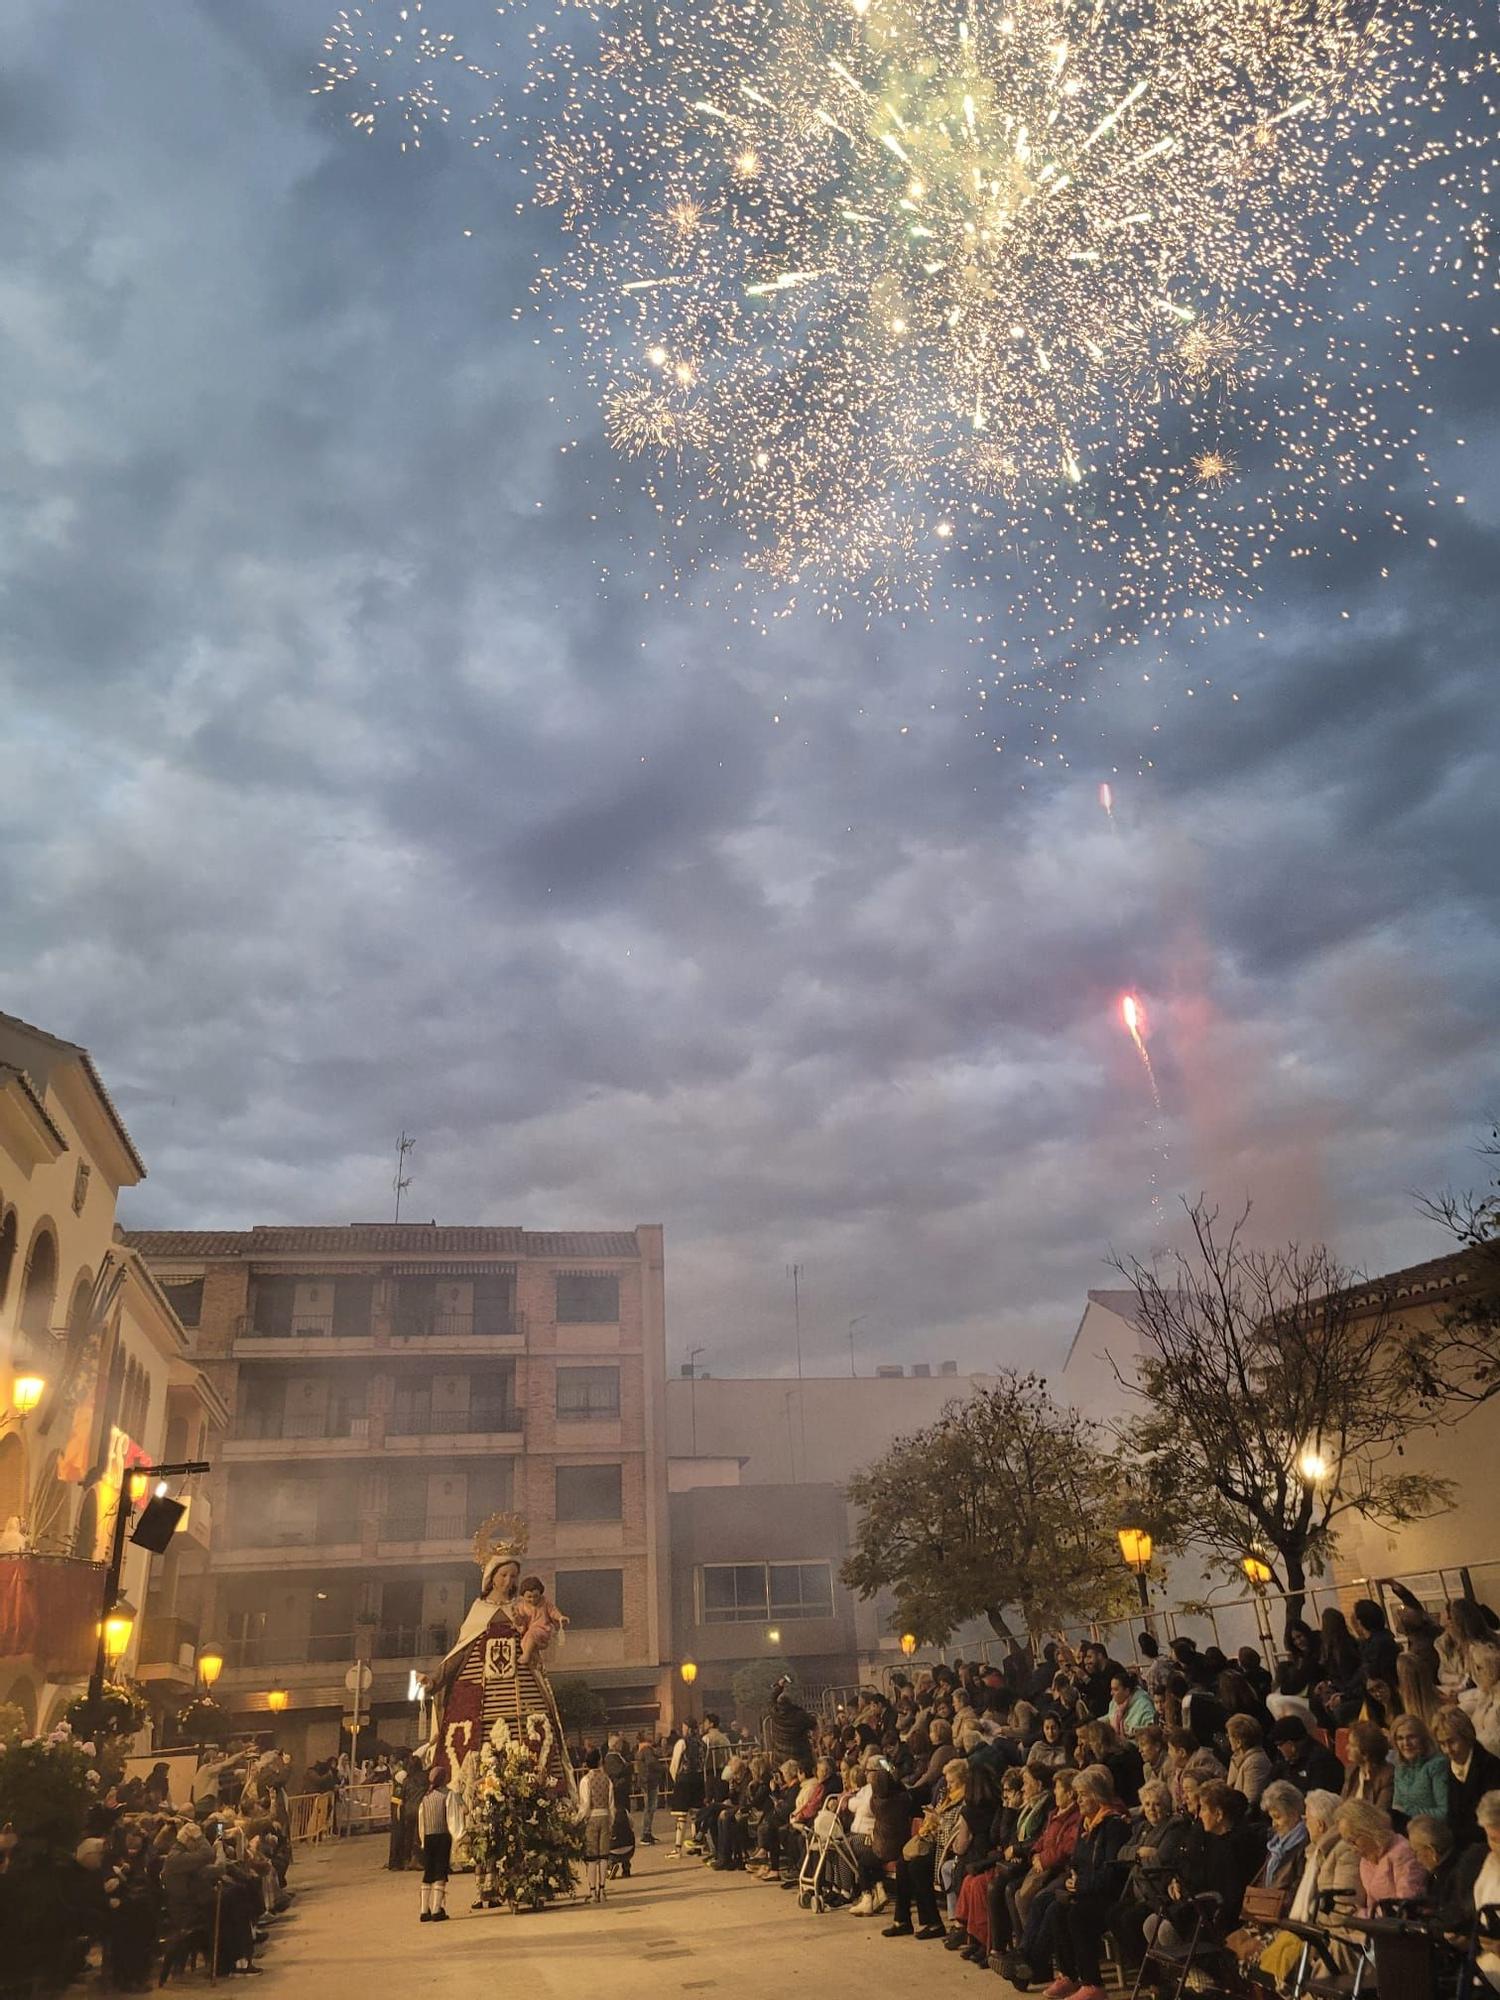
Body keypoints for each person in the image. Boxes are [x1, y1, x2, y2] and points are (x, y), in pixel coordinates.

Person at [423, 1515, 575, 1805]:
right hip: (479, 1690)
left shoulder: (521, 1607)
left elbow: (537, 1632)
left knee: (533, 1737)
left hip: (523, 1684)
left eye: (514, 1577)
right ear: (491, 1577)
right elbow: (460, 1652)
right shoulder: (479, 1609)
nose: (509, 1581)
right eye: (504, 1575)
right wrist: (434, 1680)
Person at [1334, 1797, 1426, 1913]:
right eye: (1348, 1843)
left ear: (1368, 1830)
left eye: (1353, 1840)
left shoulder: (1403, 1853)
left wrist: (1365, 1917)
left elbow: (1405, 1907)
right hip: (1378, 1925)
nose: (1353, 1849)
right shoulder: (1365, 1861)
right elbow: (1371, 1906)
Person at [1436, 1708, 1500, 1851]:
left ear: (1467, 1736)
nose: (1448, 1750)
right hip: (1463, 1843)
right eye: (1442, 1744)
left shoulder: (1491, 1767)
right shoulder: (1450, 1768)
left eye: (1452, 1742)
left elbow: (1489, 1821)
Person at [1390, 1713, 1451, 1829]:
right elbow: (1396, 1806)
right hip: (1407, 1829)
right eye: (1400, 1738)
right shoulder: (1400, 1767)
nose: (1406, 1743)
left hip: (1434, 1831)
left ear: (1423, 1739)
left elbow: (1444, 1812)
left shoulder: (1438, 1765)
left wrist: (1408, 1812)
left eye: (1411, 1737)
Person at [1269, 1713, 1344, 1795]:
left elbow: (1316, 1796)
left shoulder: (1321, 1761)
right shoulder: (1283, 1758)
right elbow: (1270, 1784)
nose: (1278, 1749)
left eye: (1279, 1745)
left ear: (1291, 1744)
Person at [576, 1748, 613, 1903]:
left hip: (591, 1818)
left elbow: (585, 1805)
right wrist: (611, 1820)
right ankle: (603, 1890)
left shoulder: (585, 1781)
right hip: (605, 1816)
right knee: (604, 1856)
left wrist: (576, 1820)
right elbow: (612, 1803)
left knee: (592, 1858)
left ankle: (592, 1893)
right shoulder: (607, 1779)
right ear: (599, 1761)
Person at [417, 1771, 453, 1923]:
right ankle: (437, 1910)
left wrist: (423, 1840)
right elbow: (453, 1817)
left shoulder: (425, 1797)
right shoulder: (447, 1795)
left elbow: (421, 1821)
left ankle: (424, 1910)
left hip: (428, 1837)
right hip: (442, 1836)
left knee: (428, 1872)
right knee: (440, 1871)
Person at [669, 1719, 705, 1854]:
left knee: (681, 1815)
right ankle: (696, 1846)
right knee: (695, 1814)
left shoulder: (682, 1742)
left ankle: (678, 1848)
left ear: (688, 1728)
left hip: (684, 1780)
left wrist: (676, 1779)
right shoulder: (702, 1742)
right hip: (698, 1779)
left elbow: (674, 1763)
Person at [635, 1734, 662, 1843]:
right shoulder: (647, 1750)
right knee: (650, 1807)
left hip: (645, 1781)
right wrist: (663, 1768)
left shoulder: (641, 1750)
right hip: (650, 1781)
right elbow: (651, 1763)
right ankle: (646, 1833)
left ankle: (647, 1832)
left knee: (649, 1807)